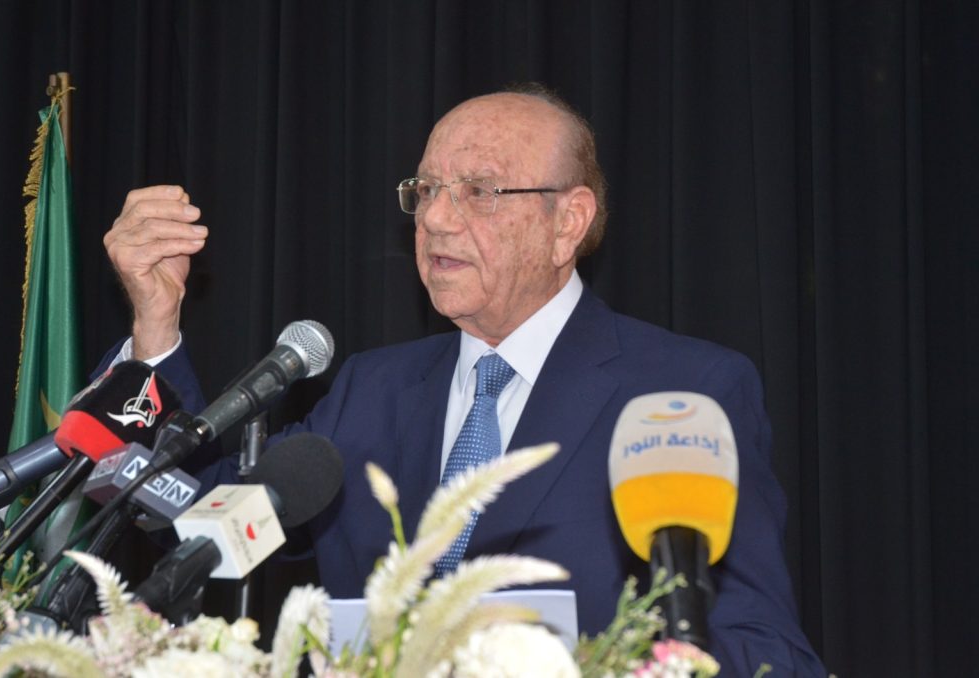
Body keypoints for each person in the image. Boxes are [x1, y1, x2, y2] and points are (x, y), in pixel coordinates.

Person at [102, 85, 825, 675]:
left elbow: (762, 650)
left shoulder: (682, 393)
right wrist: (155, 322)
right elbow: (195, 523)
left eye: (480, 191)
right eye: (427, 190)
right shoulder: (370, 392)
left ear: (568, 222)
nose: (437, 219)